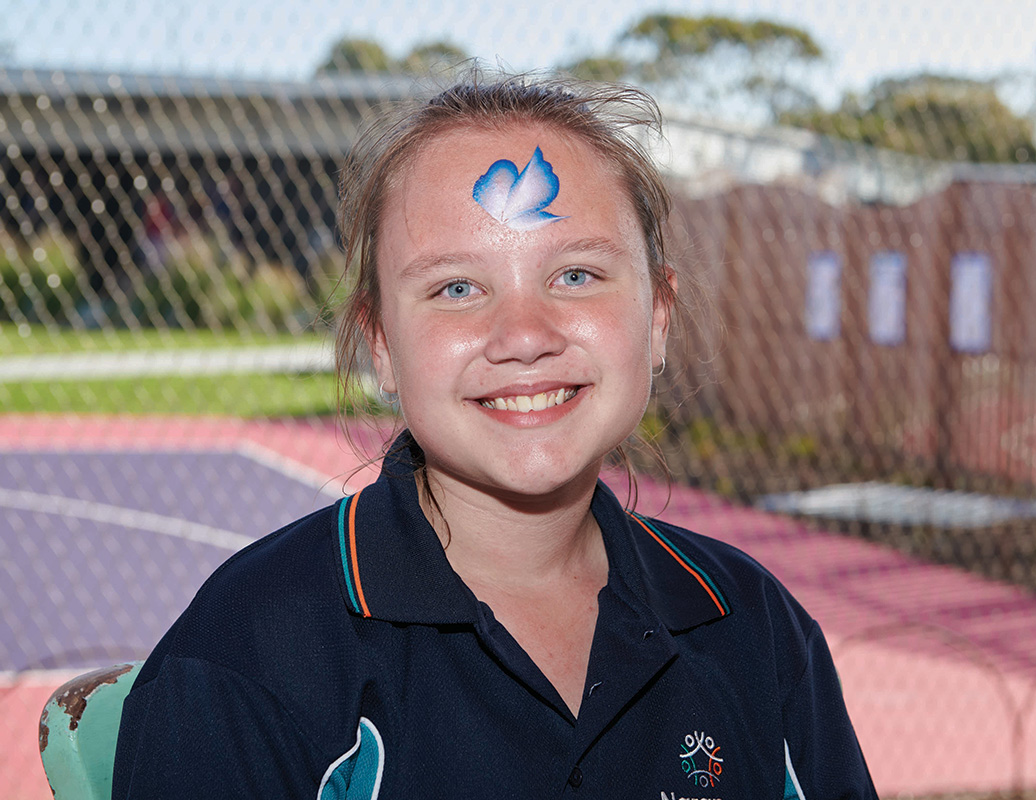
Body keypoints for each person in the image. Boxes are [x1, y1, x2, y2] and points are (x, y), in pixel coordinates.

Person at [112, 71, 877, 799]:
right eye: (457, 288)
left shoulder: (755, 628)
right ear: (381, 344)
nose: (524, 335)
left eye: (575, 275)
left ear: (657, 318)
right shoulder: (247, 655)